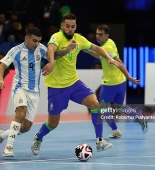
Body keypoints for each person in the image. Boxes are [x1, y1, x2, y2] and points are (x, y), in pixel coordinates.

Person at [30, 13, 122, 155]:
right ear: (62, 25)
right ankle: (38, 137)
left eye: (73, 27)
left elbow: (97, 48)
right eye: (67, 26)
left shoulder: (79, 39)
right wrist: (52, 61)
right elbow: (51, 49)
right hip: (57, 87)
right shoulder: (57, 37)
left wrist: (109, 57)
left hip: (74, 83)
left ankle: (99, 141)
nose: (70, 29)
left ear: (76, 27)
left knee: (95, 104)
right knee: (53, 123)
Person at [0, 26, 54, 157]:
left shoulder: (41, 49)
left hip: (35, 93)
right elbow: (1, 66)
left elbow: (55, 56)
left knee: (25, 127)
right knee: (20, 113)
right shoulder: (16, 50)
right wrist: (0, 79)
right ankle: (8, 148)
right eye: (34, 41)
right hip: (20, 88)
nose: (37, 44)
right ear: (27, 38)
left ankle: (2, 135)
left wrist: (67, 50)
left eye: (39, 41)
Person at [85, 24, 148, 138]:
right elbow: (99, 54)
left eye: (100, 35)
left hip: (111, 83)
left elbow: (118, 62)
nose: (97, 37)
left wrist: (129, 76)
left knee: (103, 108)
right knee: (119, 106)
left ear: (106, 35)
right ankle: (139, 117)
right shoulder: (110, 42)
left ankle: (115, 131)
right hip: (120, 82)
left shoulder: (107, 48)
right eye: (97, 34)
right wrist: (85, 49)